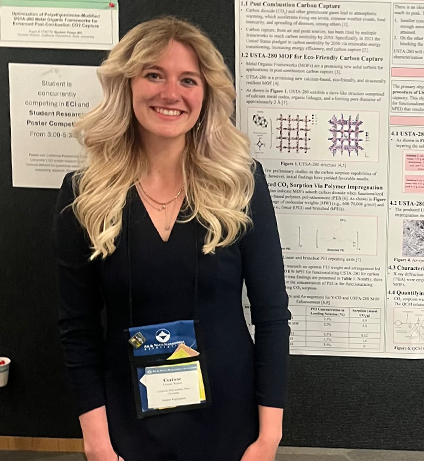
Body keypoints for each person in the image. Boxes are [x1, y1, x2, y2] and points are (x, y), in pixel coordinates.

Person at [53, 17, 290, 461]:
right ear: (126, 84)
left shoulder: (241, 185)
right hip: (127, 427)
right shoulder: (85, 194)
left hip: (231, 427)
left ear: (206, 93)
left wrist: (268, 438)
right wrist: (98, 444)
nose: (171, 94)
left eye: (188, 80)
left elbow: (273, 317)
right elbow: (78, 330)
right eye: (154, 75)